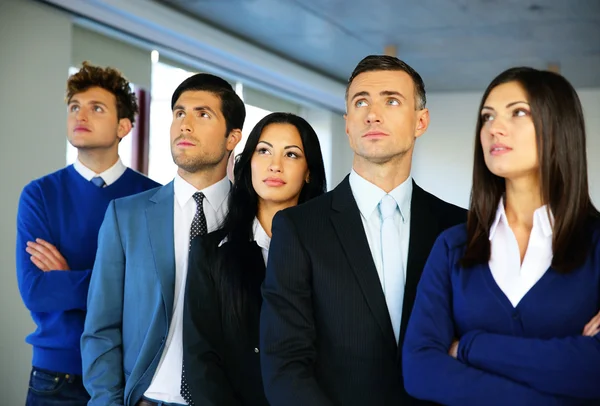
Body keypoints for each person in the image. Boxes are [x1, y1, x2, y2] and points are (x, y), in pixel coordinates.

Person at [259, 55, 467, 406]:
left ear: (421, 121)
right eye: (361, 102)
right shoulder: (298, 228)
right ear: (347, 123)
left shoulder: (459, 227)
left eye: (391, 100)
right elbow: (284, 363)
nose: (373, 113)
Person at [403, 67, 600, 405]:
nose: (495, 127)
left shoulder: (596, 244)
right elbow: (420, 370)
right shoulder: (453, 247)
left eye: (518, 112)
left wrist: (468, 347)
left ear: (559, 126)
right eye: (487, 116)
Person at [80, 73, 245, 406]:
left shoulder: (252, 220)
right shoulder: (126, 216)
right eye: (179, 113)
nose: (185, 125)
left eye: (203, 114)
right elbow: (101, 328)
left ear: (233, 138)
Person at [16, 61, 160, 406]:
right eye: (74, 107)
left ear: (124, 126)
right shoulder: (39, 194)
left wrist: (69, 278)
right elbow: (37, 292)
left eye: (97, 108)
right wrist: (119, 283)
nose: (81, 116)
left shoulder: (153, 199)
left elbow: (156, 293)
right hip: (55, 377)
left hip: (131, 378)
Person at [182, 112, 327, 405]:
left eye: (291, 154)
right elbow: (202, 359)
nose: (275, 165)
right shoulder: (210, 251)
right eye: (264, 151)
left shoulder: (331, 250)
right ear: (248, 163)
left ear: (308, 171)